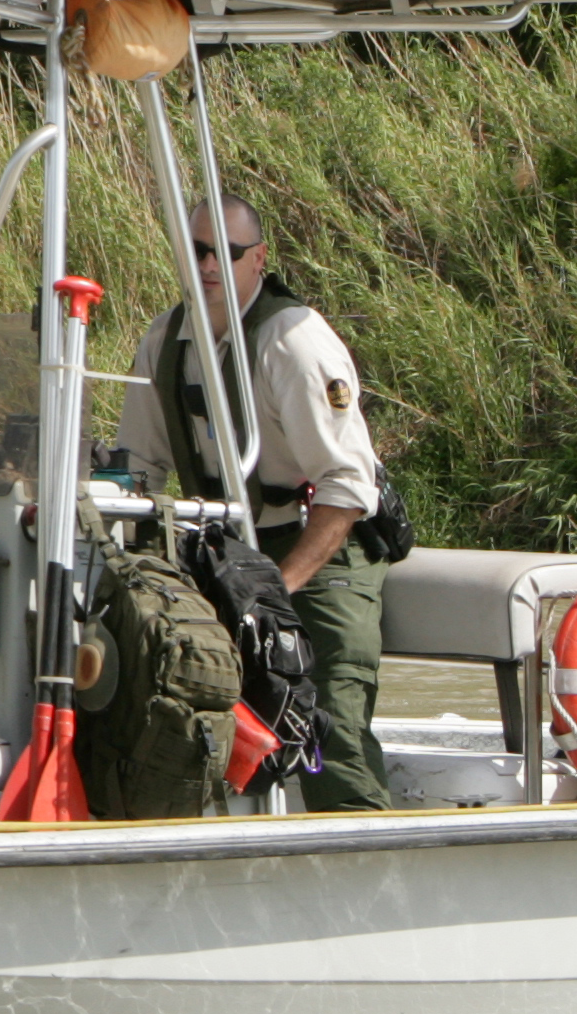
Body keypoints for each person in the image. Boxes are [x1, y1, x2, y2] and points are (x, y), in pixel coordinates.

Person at [124, 201, 398, 812]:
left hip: (323, 549)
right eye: (196, 251)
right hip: (225, 551)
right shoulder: (164, 342)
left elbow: (349, 488)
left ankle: (359, 855)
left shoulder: (294, 342)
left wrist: (276, 593)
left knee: (333, 728)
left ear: (259, 260)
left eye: (225, 252)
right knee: (162, 695)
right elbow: (138, 470)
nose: (208, 265)